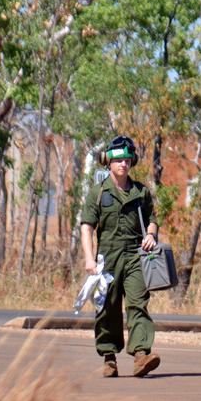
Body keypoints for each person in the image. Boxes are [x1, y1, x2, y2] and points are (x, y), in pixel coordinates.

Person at [80, 136, 162, 378]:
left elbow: (153, 219)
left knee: (138, 302)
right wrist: (89, 259)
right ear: (108, 161)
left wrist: (150, 234)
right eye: (118, 160)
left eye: (127, 159)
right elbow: (87, 227)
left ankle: (141, 354)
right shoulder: (98, 192)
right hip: (108, 256)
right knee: (108, 307)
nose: (123, 164)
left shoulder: (141, 192)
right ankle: (108, 356)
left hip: (135, 255)